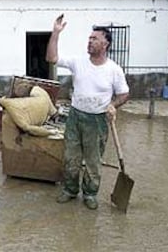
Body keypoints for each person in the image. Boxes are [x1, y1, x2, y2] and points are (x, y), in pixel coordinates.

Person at [46, 14, 129, 210]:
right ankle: (70, 190)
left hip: (97, 121)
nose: (90, 42)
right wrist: (56, 33)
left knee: (93, 161)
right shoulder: (78, 61)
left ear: (105, 44)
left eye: (95, 39)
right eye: (89, 38)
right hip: (75, 117)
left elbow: (124, 94)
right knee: (71, 158)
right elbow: (51, 58)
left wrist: (113, 105)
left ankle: (90, 194)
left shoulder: (114, 70)